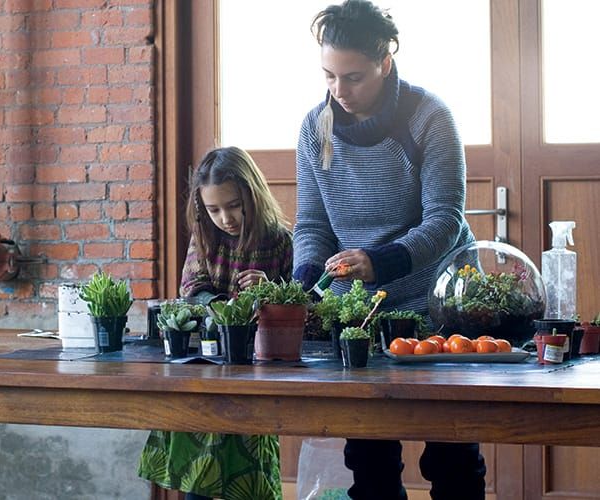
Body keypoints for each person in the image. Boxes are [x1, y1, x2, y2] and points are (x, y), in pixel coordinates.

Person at [292, 1, 486, 499]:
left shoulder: (428, 117)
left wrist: (380, 261)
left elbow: (446, 220)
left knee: (453, 456)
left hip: (440, 301)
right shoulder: (315, 129)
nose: (340, 90)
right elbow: (312, 224)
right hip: (360, 307)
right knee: (371, 459)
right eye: (329, 76)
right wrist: (305, 283)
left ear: (386, 61)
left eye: (353, 76)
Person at [137, 146, 292, 500]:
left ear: (252, 194)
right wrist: (224, 308)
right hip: (205, 363)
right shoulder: (205, 239)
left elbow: (298, 302)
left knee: (248, 464)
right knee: (202, 465)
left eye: (234, 204)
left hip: (255, 369)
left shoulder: (280, 241)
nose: (226, 217)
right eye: (214, 209)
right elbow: (191, 289)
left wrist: (269, 292)